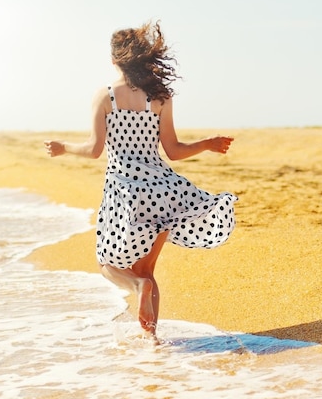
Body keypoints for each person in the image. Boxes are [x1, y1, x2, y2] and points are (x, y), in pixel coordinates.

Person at [44, 21, 237, 339]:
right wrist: (206, 143)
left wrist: (64, 148)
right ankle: (152, 342)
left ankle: (137, 288)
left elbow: (94, 150)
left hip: (125, 190)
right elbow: (173, 151)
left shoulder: (105, 96)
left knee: (108, 263)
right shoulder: (159, 97)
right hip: (163, 190)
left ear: (114, 60)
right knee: (148, 268)